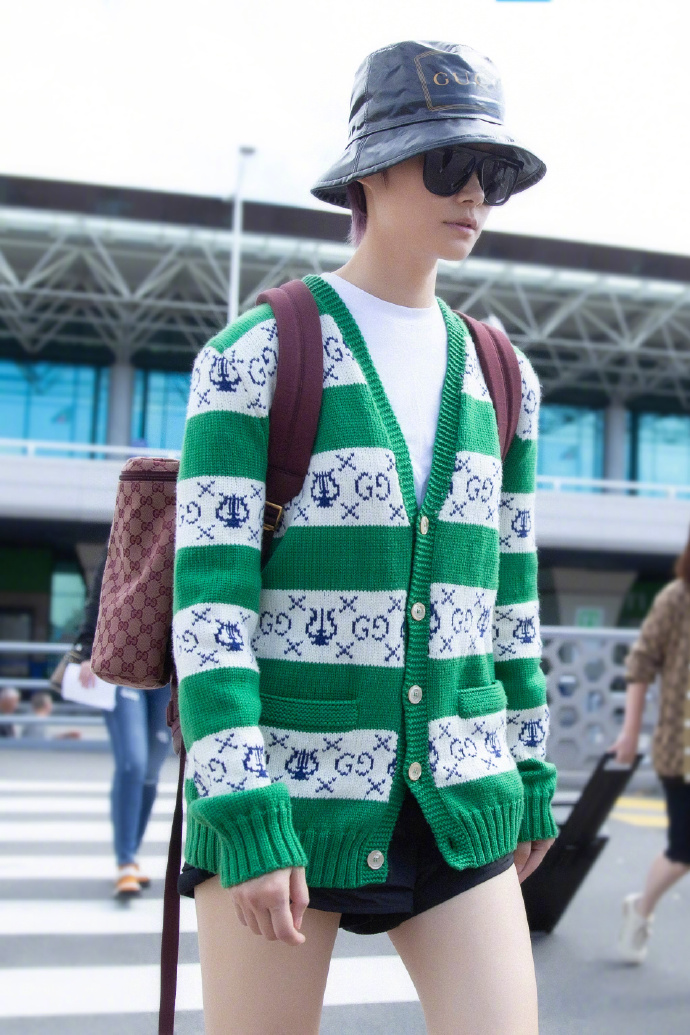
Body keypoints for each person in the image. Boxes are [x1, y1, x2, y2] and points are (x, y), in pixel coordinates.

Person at [174, 41, 557, 1035]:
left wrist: (530, 771)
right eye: (449, 162)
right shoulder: (256, 355)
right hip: (284, 799)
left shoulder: (504, 375)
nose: (473, 194)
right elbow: (209, 615)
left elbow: (509, 604)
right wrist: (245, 815)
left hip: (462, 791)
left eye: (494, 173)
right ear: (372, 170)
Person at [74, 547, 171, 897]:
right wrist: (87, 649)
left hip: (167, 668)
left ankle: (132, 854)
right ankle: (126, 861)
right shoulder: (132, 525)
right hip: (121, 659)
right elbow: (100, 591)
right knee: (133, 763)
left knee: (151, 770)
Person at [612, 529, 690, 963]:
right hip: (681, 753)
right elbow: (641, 665)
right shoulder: (677, 599)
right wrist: (630, 733)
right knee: (682, 854)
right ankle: (641, 910)